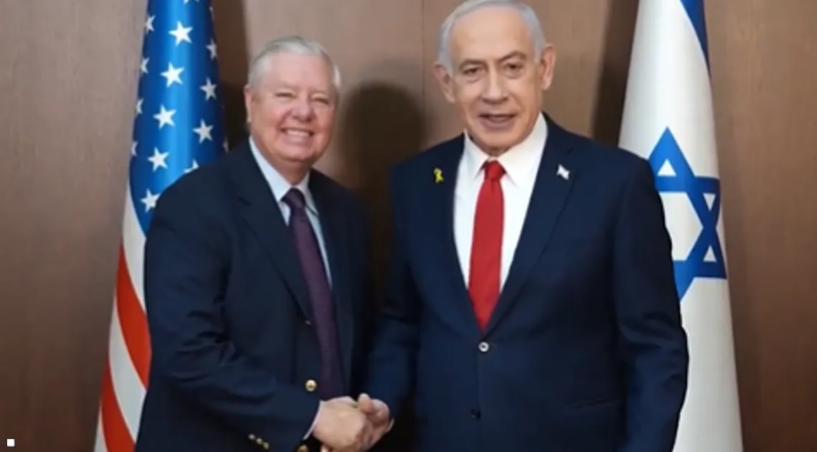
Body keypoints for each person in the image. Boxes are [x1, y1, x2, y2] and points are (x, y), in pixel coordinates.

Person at [364, 1, 689, 451]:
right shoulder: (415, 183)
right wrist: (382, 400)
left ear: (545, 68)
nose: (494, 92)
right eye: (473, 71)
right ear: (446, 82)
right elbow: (403, 320)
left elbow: (656, 348)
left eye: (512, 67)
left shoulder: (615, 183)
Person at [136, 36, 389, 452]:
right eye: (285, 95)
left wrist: (371, 406)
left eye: (320, 100)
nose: (303, 112)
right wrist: (312, 418)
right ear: (251, 103)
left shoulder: (346, 212)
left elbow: (357, 337)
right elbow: (188, 352)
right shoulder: (192, 204)